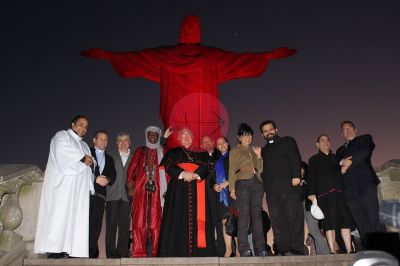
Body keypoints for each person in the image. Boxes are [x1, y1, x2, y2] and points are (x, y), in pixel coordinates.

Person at [81, 15, 297, 147]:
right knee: (181, 152)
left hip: (193, 121)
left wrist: (267, 56)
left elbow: (136, 59)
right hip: (189, 122)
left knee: (200, 152)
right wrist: (266, 56)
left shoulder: (176, 55)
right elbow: (239, 61)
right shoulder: (205, 55)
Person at [34, 115, 94, 258]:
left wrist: (90, 162)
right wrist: (81, 158)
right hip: (63, 187)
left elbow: (91, 162)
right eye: (80, 124)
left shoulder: (85, 145)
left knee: (76, 218)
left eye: (86, 127)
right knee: (60, 215)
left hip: (78, 189)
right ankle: (55, 250)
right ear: (73, 124)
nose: (83, 128)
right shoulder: (61, 136)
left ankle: (72, 249)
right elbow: (61, 151)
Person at [158, 128, 216, 256]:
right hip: (177, 190)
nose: (186, 137)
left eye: (188, 134)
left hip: (198, 188)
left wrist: (195, 175)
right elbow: (168, 166)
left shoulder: (201, 152)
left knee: (200, 220)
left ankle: (201, 253)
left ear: (192, 137)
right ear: (178, 139)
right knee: (177, 218)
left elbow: (207, 165)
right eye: (182, 135)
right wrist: (182, 173)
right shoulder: (172, 152)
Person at [336, 121, 386, 246]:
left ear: (355, 129)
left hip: (365, 183)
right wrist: (342, 161)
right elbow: (334, 163)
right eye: (344, 129)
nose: (347, 131)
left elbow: (364, 151)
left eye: (350, 128)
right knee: (360, 221)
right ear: (342, 134)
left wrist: (349, 162)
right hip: (348, 189)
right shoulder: (339, 150)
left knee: (374, 217)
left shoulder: (365, 138)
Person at [259, 120, 304, 256]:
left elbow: (295, 158)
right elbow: (263, 170)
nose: (268, 132)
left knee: (294, 218)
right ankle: (283, 249)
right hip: (272, 191)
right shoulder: (264, 151)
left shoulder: (287, 141)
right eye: (265, 131)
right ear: (263, 135)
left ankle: (296, 249)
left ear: (276, 130)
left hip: (289, 186)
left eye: (270, 129)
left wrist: (297, 175)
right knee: (277, 220)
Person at [126, 126, 171, 257]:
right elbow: (131, 169)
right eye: (150, 134)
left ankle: (157, 251)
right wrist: (130, 186)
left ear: (158, 137)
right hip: (141, 190)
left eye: (155, 135)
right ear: (147, 136)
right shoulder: (140, 151)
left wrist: (168, 189)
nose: (153, 137)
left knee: (156, 222)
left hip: (158, 190)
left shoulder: (162, 151)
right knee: (139, 221)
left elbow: (167, 171)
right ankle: (139, 252)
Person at [307, 134, 354, 254]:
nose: (325, 141)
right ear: (317, 144)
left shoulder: (336, 157)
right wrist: (311, 193)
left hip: (340, 193)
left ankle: (349, 250)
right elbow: (311, 177)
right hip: (324, 194)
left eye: (328, 139)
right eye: (322, 139)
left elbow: (342, 168)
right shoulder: (313, 160)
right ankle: (332, 251)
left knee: (345, 221)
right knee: (329, 223)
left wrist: (343, 168)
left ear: (330, 143)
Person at [229, 123, 266, 257]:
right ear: (239, 137)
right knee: (244, 215)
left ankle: (260, 248)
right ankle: (244, 248)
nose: (248, 137)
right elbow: (232, 170)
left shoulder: (254, 150)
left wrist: (259, 155)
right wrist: (232, 188)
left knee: (257, 216)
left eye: (250, 135)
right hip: (242, 183)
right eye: (245, 135)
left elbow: (260, 169)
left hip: (257, 183)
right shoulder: (234, 151)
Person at [89, 131, 116, 258]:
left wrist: (107, 180)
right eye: (101, 139)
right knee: (83, 223)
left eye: (105, 140)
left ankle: (92, 253)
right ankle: (78, 252)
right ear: (94, 140)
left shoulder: (109, 158)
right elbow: (80, 170)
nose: (103, 142)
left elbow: (113, 176)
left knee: (96, 225)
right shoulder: (86, 152)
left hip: (100, 196)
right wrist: (95, 178)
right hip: (86, 194)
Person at [106, 132, 134, 258]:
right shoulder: (109, 156)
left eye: (126, 140)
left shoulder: (135, 157)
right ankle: (111, 255)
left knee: (124, 226)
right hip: (112, 195)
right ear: (116, 143)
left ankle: (122, 254)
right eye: (120, 141)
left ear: (129, 142)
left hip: (127, 197)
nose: (123, 143)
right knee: (111, 226)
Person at [212, 136, 239, 257]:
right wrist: (214, 186)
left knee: (236, 220)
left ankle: (239, 250)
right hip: (221, 196)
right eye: (218, 143)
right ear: (217, 147)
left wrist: (227, 182)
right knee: (225, 221)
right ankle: (228, 250)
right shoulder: (215, 161)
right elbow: (211, 178)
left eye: (223, 142)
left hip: (233, 191)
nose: (221, 145)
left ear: (228, 144)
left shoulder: (234, 155)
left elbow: (239, 171)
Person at [300, 161, 330, 255]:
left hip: (309, 207)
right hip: (298, 207)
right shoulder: (295, 180)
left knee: (314, 231)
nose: (300, 171)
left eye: (301, 169)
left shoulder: (310, 179)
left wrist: (303, 184)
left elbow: (312, 192)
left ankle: (325, 254)